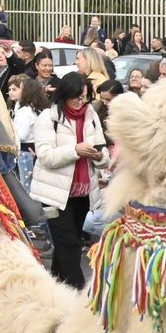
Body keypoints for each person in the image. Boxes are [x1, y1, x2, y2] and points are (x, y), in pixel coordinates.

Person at [30, 72, 108, 289]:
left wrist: (99, 157)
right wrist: (75, 150)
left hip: (83, 193)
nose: (80, 102)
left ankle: (55, 287)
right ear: (65, 95)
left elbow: (102, 151)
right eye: (76, 97)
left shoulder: (91, 115)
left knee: (67, 245)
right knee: (70, 243)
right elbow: (45, 155)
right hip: (54, 195)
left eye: (84, 97)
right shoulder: (49, 117)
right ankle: (79, 291)